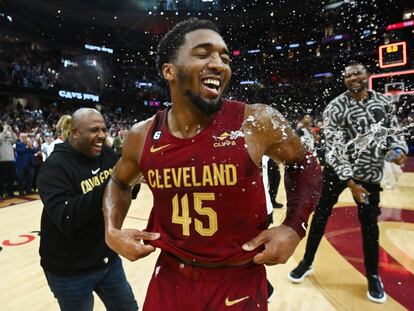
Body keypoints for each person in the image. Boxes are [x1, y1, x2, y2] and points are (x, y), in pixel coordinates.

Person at [103, 18, 322, 310]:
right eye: (204, 54)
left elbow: (304, 163)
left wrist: (294, 226)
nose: (219, 64)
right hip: (171, 277)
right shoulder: (141, 135)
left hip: (238, 281)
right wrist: (111, 230)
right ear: (169, 70)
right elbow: (119, 182)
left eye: (224, 57)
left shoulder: (256, 122)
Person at [288, 63, 408, 304]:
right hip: (339, 173)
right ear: (344, 80)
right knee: (320, 216)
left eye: (357, 73)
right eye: (348, 75)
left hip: (370, 174)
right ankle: (307, 262)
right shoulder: (336, 107)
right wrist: (351, 183)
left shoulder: (384, 103)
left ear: (368, 76)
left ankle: (373, 275)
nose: (353, 77)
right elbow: (334, 149)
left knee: (369, 225)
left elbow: (394, 132)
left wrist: (398, 149)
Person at [37, 108, 138, 311]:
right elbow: (67, 217)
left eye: (103, 129)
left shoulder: (106, 155)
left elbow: (126, 191)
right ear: (74, 133)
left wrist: (133, 178)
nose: (101, 135)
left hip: (107, 258)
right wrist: (115, 183)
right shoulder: (54, 168)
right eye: (94, 130)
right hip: (69, 270)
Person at [0, 123, 17, 198]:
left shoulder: (10, 136)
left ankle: (10, 192)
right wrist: (4, 131)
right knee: (2, 178)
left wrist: (11, 130)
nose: (7, 129)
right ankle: (1, 193)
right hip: (3, 160)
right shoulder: (1, 135)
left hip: (11, 159)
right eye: (5, 128)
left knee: (12, 177)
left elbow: (15, 139)